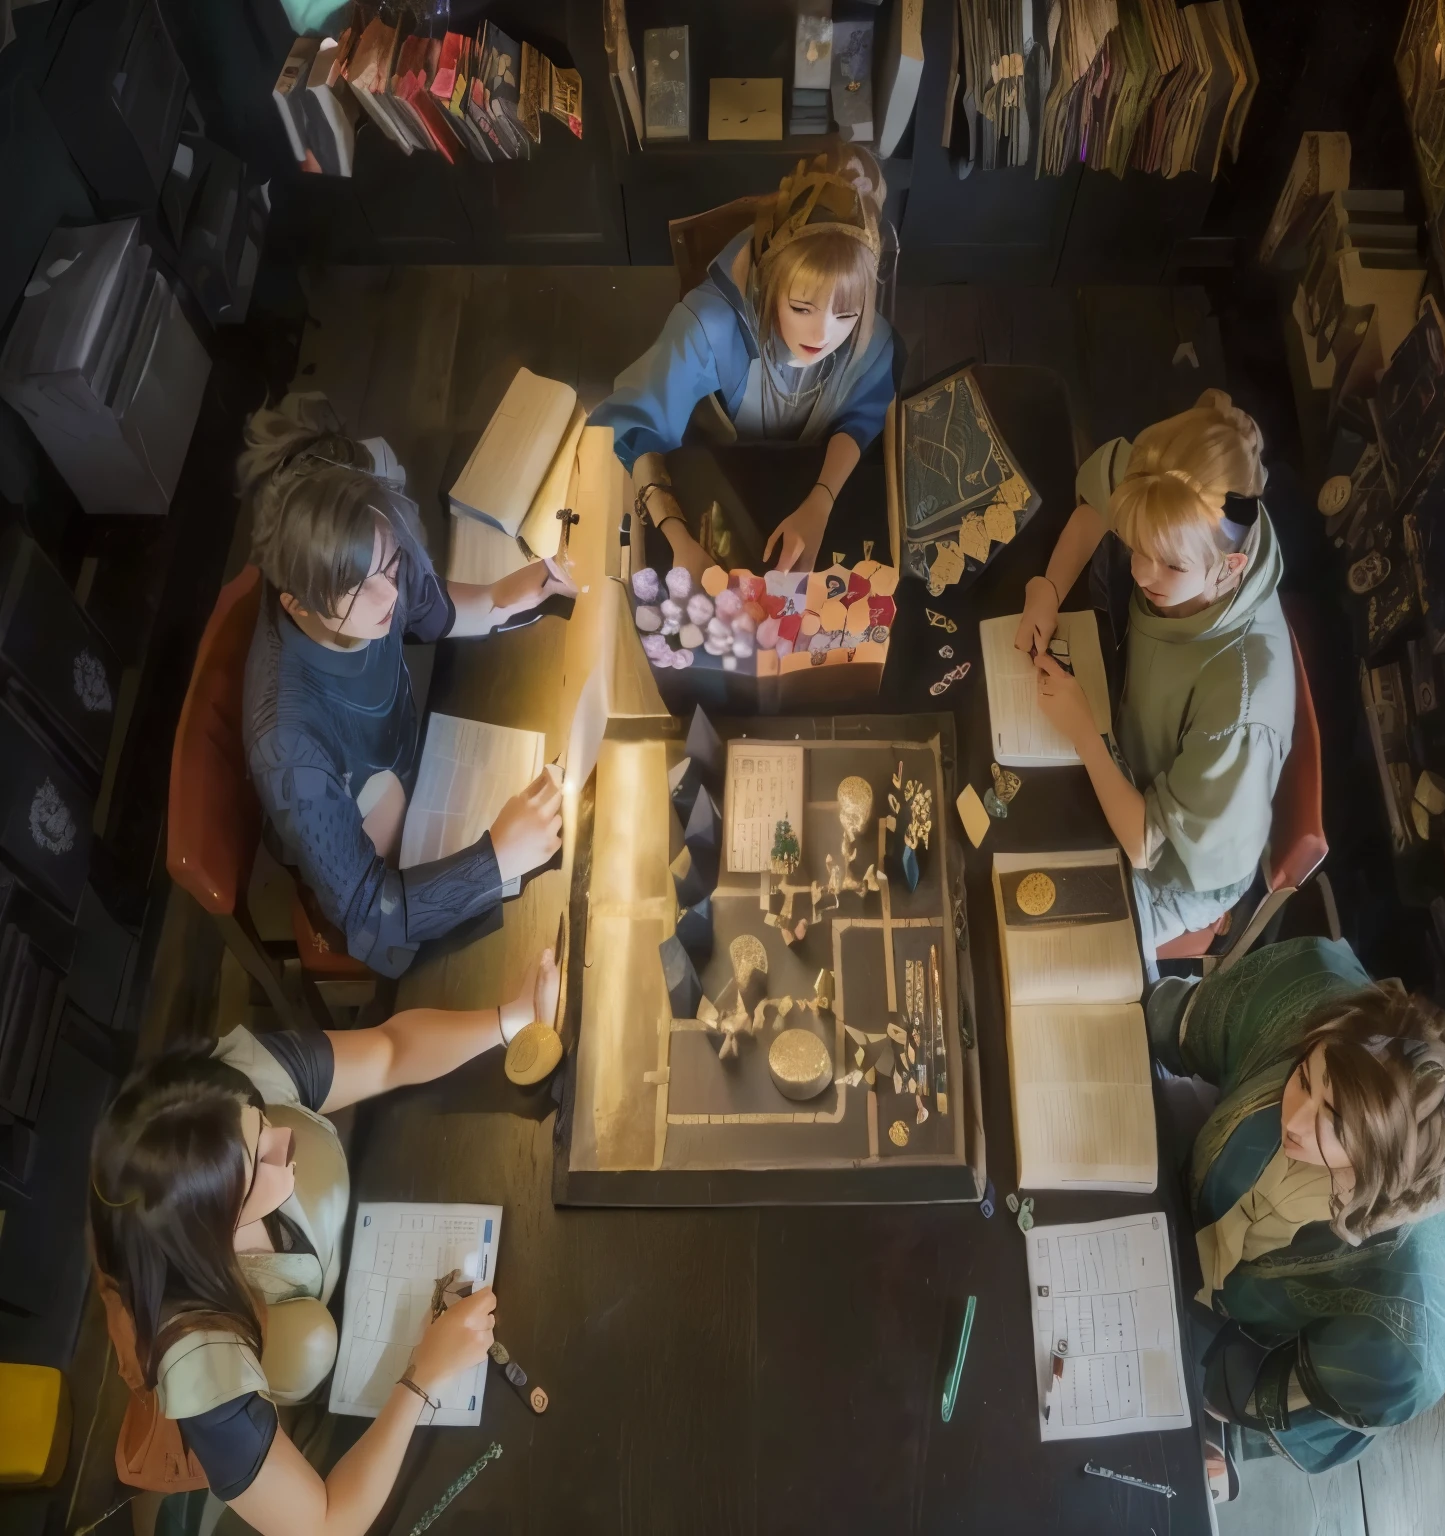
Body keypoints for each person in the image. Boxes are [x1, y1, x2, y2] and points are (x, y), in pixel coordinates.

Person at [90, 949, 561, 1530]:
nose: (285, 1141)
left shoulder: (220, 1094)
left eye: (260, 1123)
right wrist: (421, 1377)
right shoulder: (201, 1365)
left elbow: (389, 1052)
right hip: (310, 1408)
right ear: (213, 1234)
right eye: (257, 1165)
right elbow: (325, 1524)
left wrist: (509, 1019)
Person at [238, 402, 575, 977]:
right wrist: (494, 863)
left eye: (390, 565)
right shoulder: (289, 746)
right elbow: (368, 912)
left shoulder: (370, 554)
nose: (389, 597)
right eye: (359, 589)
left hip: (424, 784)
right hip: (372, 879)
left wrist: (512, 593)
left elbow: (429, 608)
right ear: (297, 605)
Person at [1148, 937, 1445, 1486]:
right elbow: (1176, 1020)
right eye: (1304, 1077)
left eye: (1334, 1124)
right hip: (1176, 1182)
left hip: (1232, 1334)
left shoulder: (1405, 1338)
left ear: (1382, 1160)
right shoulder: (1314, 991)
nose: (1293, 1119)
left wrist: (1203, 1400)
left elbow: (1265, 1394)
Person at [1015, 391, 1293, 966]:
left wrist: (1085, 732)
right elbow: (1100, 502)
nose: (1141, 571)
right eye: (1136, 546)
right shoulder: (1171, 483)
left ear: (1230, 567)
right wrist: (1048, 588)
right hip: (1137, 751)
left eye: (1169, 562)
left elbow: (1148, 847)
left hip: (1182, 866)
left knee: (1057, 945)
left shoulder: (1241, 705)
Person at [589, 146, 896, 578]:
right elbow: (637, 427)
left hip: (812, 478)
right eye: (802, 307)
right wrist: (678, 539)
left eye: (846, 313)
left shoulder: (873, 339)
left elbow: (862, 419)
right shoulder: (708, 326)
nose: (823, 335)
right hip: (717, 476)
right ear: (770, 280)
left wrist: (822, 501)